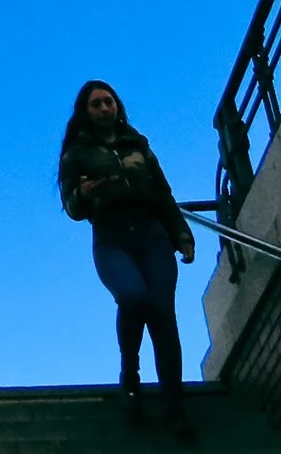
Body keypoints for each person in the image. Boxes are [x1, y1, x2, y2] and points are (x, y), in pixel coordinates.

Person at [58, 79, 197, 440]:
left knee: (164, 316)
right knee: (134, 298)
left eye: (109, 102)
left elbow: (163, 193)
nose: (105, 108)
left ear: (117, 106)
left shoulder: (138, 144)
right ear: (85, 112)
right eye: (96, 104)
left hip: (152, 236)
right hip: (111, 237)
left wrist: (181, 234)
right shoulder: (77, 152)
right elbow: (72, 207)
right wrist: (83, 194)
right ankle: (130, 375)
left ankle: (175, 409)